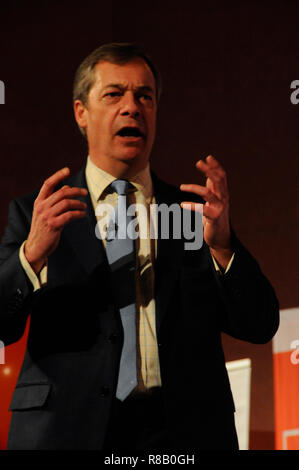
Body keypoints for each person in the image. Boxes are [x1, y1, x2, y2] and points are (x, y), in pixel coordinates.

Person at [0, 42, 279, 451]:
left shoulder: (192, 215)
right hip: (68, 430)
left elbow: (259, 324)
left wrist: (222, 246)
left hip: (181, 436)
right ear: (81, 112)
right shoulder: (37, 214)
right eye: (114, 94)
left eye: (144, 96)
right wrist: (32, 255)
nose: (132, 107)